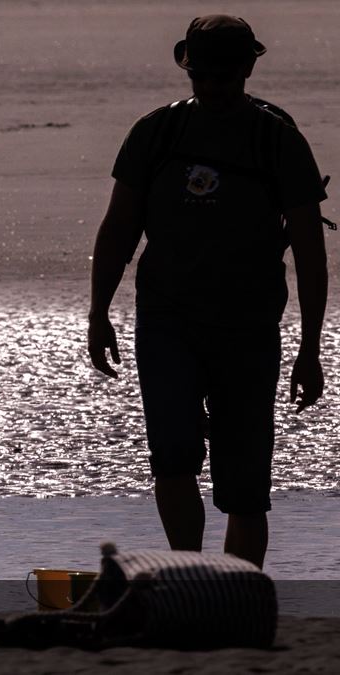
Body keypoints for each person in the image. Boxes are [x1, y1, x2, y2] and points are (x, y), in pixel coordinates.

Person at [87, 16, 328, 568]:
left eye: (225, 75)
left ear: (248, 68)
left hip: (247, 329)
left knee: (244, 486)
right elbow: (118, 227)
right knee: (171, 460)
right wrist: (98, 312)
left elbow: (312, 255)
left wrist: (310, 350)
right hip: (167, 321)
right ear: (187, 70)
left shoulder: (277, 140)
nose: (214, 87)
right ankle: (190, 574)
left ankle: (237, 586)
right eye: (203, 75)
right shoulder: (157, 132)